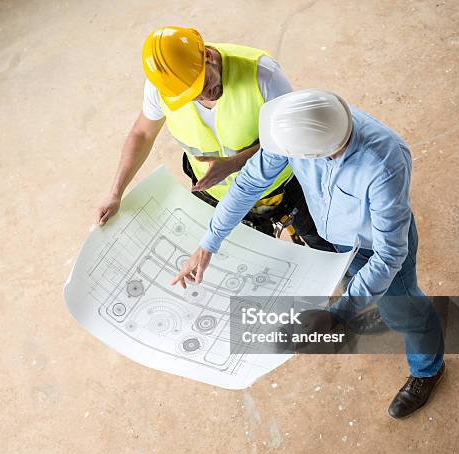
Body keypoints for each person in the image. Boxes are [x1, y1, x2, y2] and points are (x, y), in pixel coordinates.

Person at [173, 89, 445, 419]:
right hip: (340, 238)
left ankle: (428, 370)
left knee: (404, 310)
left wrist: (340, 313)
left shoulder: (384, 163)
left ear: (321, 153)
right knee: (357, 287)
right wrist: (208, 243)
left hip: (375, 245)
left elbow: (390, 254)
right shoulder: (294, 124)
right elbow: (247, 185)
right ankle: (363, 300)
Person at [95, 26, 333, 251]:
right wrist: (115, 193)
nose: (204, 96)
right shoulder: (166, 87)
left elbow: (296, 136)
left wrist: (233, 164)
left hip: (280, 185)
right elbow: (142, 133)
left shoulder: (263, 74)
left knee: (323, 241)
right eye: (192, 96)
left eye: (205, 83)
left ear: (207, 55)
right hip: (217, 195)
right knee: (235, 260)